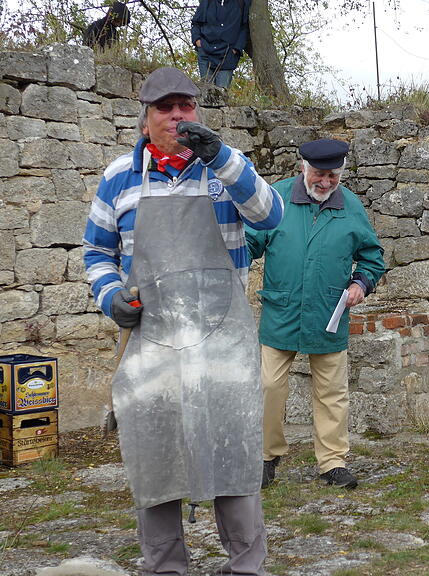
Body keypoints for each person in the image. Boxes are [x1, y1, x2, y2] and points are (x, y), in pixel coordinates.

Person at [82, 66, 283, 576]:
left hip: (222, 341)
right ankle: (166, 567)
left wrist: (221, 158)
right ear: (146, 118)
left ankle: (245, 566)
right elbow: (96, 252)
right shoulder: (118, 178)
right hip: (152, 341)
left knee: (234, 450)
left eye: (185, 106)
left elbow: (271, 215)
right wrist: (110, 297)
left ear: (197, 111)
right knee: (155, 453)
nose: (177, 115)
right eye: (164, 108)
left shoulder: (227, 169)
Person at [246, 138, 385, 490]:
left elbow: (372, 257)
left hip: (329, 311)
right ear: (302, 168)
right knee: (269, 386)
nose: (325, 183)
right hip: (282, 309)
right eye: (318, 175)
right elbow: (248, 243)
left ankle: (332, 462)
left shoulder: (351, 206)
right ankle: (266, 455)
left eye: (333, 177)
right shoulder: (274, 198)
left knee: (331, 391)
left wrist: (361, 284)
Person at [191, 0, 251, 89]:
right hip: (206, 52)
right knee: (206, 94)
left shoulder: (241, 3)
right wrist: (198, 41)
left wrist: (236, 48)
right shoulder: (207, 1)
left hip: (227, 55)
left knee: (222, 95)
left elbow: (245, 28)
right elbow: (196, 23)